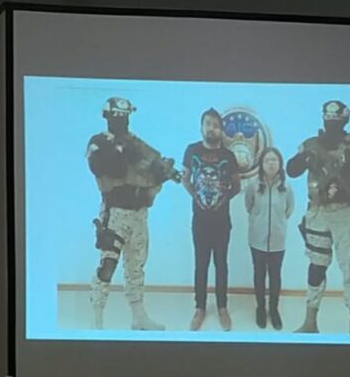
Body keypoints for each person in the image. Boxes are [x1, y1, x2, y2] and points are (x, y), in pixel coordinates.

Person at [286, 100, 350, 334]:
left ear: (345, 119)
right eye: (328, 117)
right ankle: (310, 321)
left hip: (345, 214)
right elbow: (291, 169)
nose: (331, 122)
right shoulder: (310, 145)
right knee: (316, 265)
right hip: (317, 212)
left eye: (336, 118)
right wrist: (305, 159)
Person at [87, 97, 180, 331]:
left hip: (138, 212)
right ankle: (96, 320)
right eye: (117, 116)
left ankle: (139, 317)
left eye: (125, 116)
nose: (122, 121)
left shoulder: (135, 142)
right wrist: (122, 153)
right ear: (107, 117)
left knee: (136, 266)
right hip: (115, 212)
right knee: (107, 265)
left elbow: (153, 164)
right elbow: (107, 167)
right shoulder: (99, 142)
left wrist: (162, 171)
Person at [182, 108, 241, 331]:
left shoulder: (229, 156)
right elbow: (185, 179)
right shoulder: (192, 150)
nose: (211, 128)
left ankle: (222, 307)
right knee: (201, 264)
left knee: (221, 264)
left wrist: (221, 199)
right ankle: (200, 308)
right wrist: (196, 197)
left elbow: (237, 186)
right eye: (207, 123)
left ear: (221, 129)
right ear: (201, 126)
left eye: (215, 125)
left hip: (222, 221)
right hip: (199, 220)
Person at [244, 147, 294, 330]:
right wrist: (259, 221)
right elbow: (249, 206)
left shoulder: (286, 187)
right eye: (267, 160)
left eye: (274, 160)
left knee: (275, 275)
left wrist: (278, 224)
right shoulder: (253, 185)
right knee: (259, 274)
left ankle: (273, 310)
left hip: (277, 241)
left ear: (280, 164)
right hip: (257, 239)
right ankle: (260, 308)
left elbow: (289, 210)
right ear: (262, 164)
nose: (271, 163)